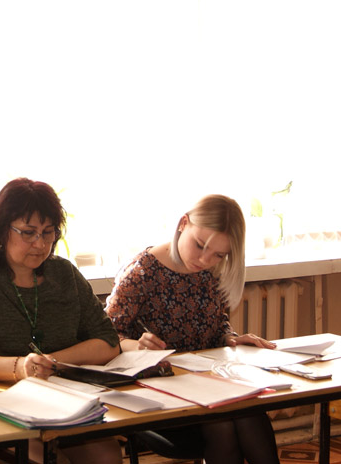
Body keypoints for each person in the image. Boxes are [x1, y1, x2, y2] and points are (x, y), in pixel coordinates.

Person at [0, 178, 123, 464]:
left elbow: (108, 342)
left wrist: (50, 362)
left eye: (48, 232)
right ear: (2, 229)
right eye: (28, 233)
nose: (40, 244)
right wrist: (20, 368)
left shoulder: (64, 274)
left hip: (62, 402)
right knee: (46, 460)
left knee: (107, 455)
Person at [105, 194, 279, 464]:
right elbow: (105, 337)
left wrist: (229, 338)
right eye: (199, 245)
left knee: (250, 412)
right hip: (159, 390)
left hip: (207, 384)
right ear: (183, 224)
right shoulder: (142, 272)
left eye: (219, 254)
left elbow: (214, 321)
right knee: (223, 425)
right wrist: (136, 345)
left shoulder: (211, 271)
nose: (205, 260)